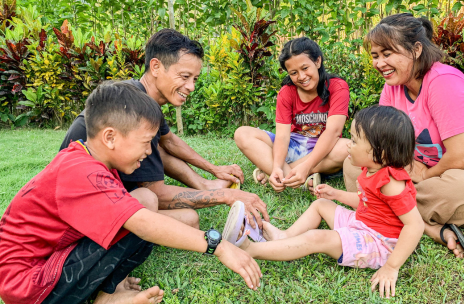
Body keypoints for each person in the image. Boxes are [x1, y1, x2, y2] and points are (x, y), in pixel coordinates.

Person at [0, 83, 262, 304]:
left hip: (45, 261)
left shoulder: (86, 156)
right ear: (110, 137)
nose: (149, 152)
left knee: (144, 202)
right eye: (146, 142)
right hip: (30, 284)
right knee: (142, 219)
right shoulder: (81, 172)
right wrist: (218, 246)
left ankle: (107, 293)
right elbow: (144, 224)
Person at [344, 13, 464, 258]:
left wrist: (424, 174)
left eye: (387, 54)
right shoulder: (392, 86)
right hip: (415, 172)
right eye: (375, 56)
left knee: (459, 191)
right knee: (354, 164)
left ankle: (384, 209)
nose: (380, 63)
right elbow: (382, 144)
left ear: (416, 50)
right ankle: (424, 226)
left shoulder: (443, 82)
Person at [60, 29, 269, 229]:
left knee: (157, 147)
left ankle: (203, 184)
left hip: (97, 184)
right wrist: (226, 197)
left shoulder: (140, 96)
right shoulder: (136, 111)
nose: (191, 87)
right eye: (184, 77)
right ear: (156, 67)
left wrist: (213, 170)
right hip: (81, 200)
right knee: (187, 218)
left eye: (194, 79)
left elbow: (168, 141)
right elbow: (156, 193)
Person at [227, 106, 424, 298]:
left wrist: (391, 267)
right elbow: (368, 203)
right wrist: (336, 194)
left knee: (318, 238)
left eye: (354, 141)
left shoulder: (392, 183)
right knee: (321, 205)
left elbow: (414, 225)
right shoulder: (371, 169)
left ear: (378, 153)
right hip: (363, 223)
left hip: (380, 243)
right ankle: (284, 236)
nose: (348, 144)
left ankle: (251, 250)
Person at [234, 37, 350, 193]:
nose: (301, 77)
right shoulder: (287, 92)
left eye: (305, 68)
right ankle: (292, 176)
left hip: (325, 149)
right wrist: (276, 167)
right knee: (242, 134)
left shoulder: (337, 87)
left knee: (347, 147)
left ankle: (282, 174)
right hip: (293, 146)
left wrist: (306, 166)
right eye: (294, 73)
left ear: (317, 61)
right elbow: (282, 137)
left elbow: (333, 132)